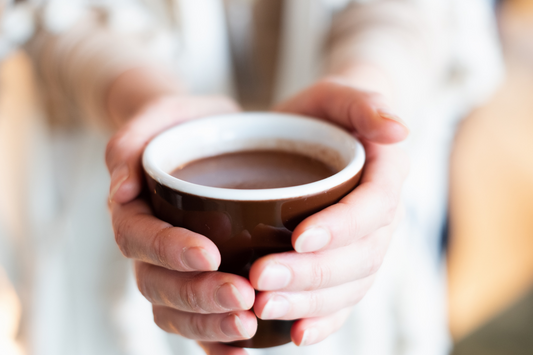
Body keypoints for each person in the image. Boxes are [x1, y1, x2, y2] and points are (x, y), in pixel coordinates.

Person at [0, 1, 503, 354]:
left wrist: (371, 83)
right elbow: (44, 13)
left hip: (367, 265)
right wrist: (133, 92)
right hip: (92, 207)